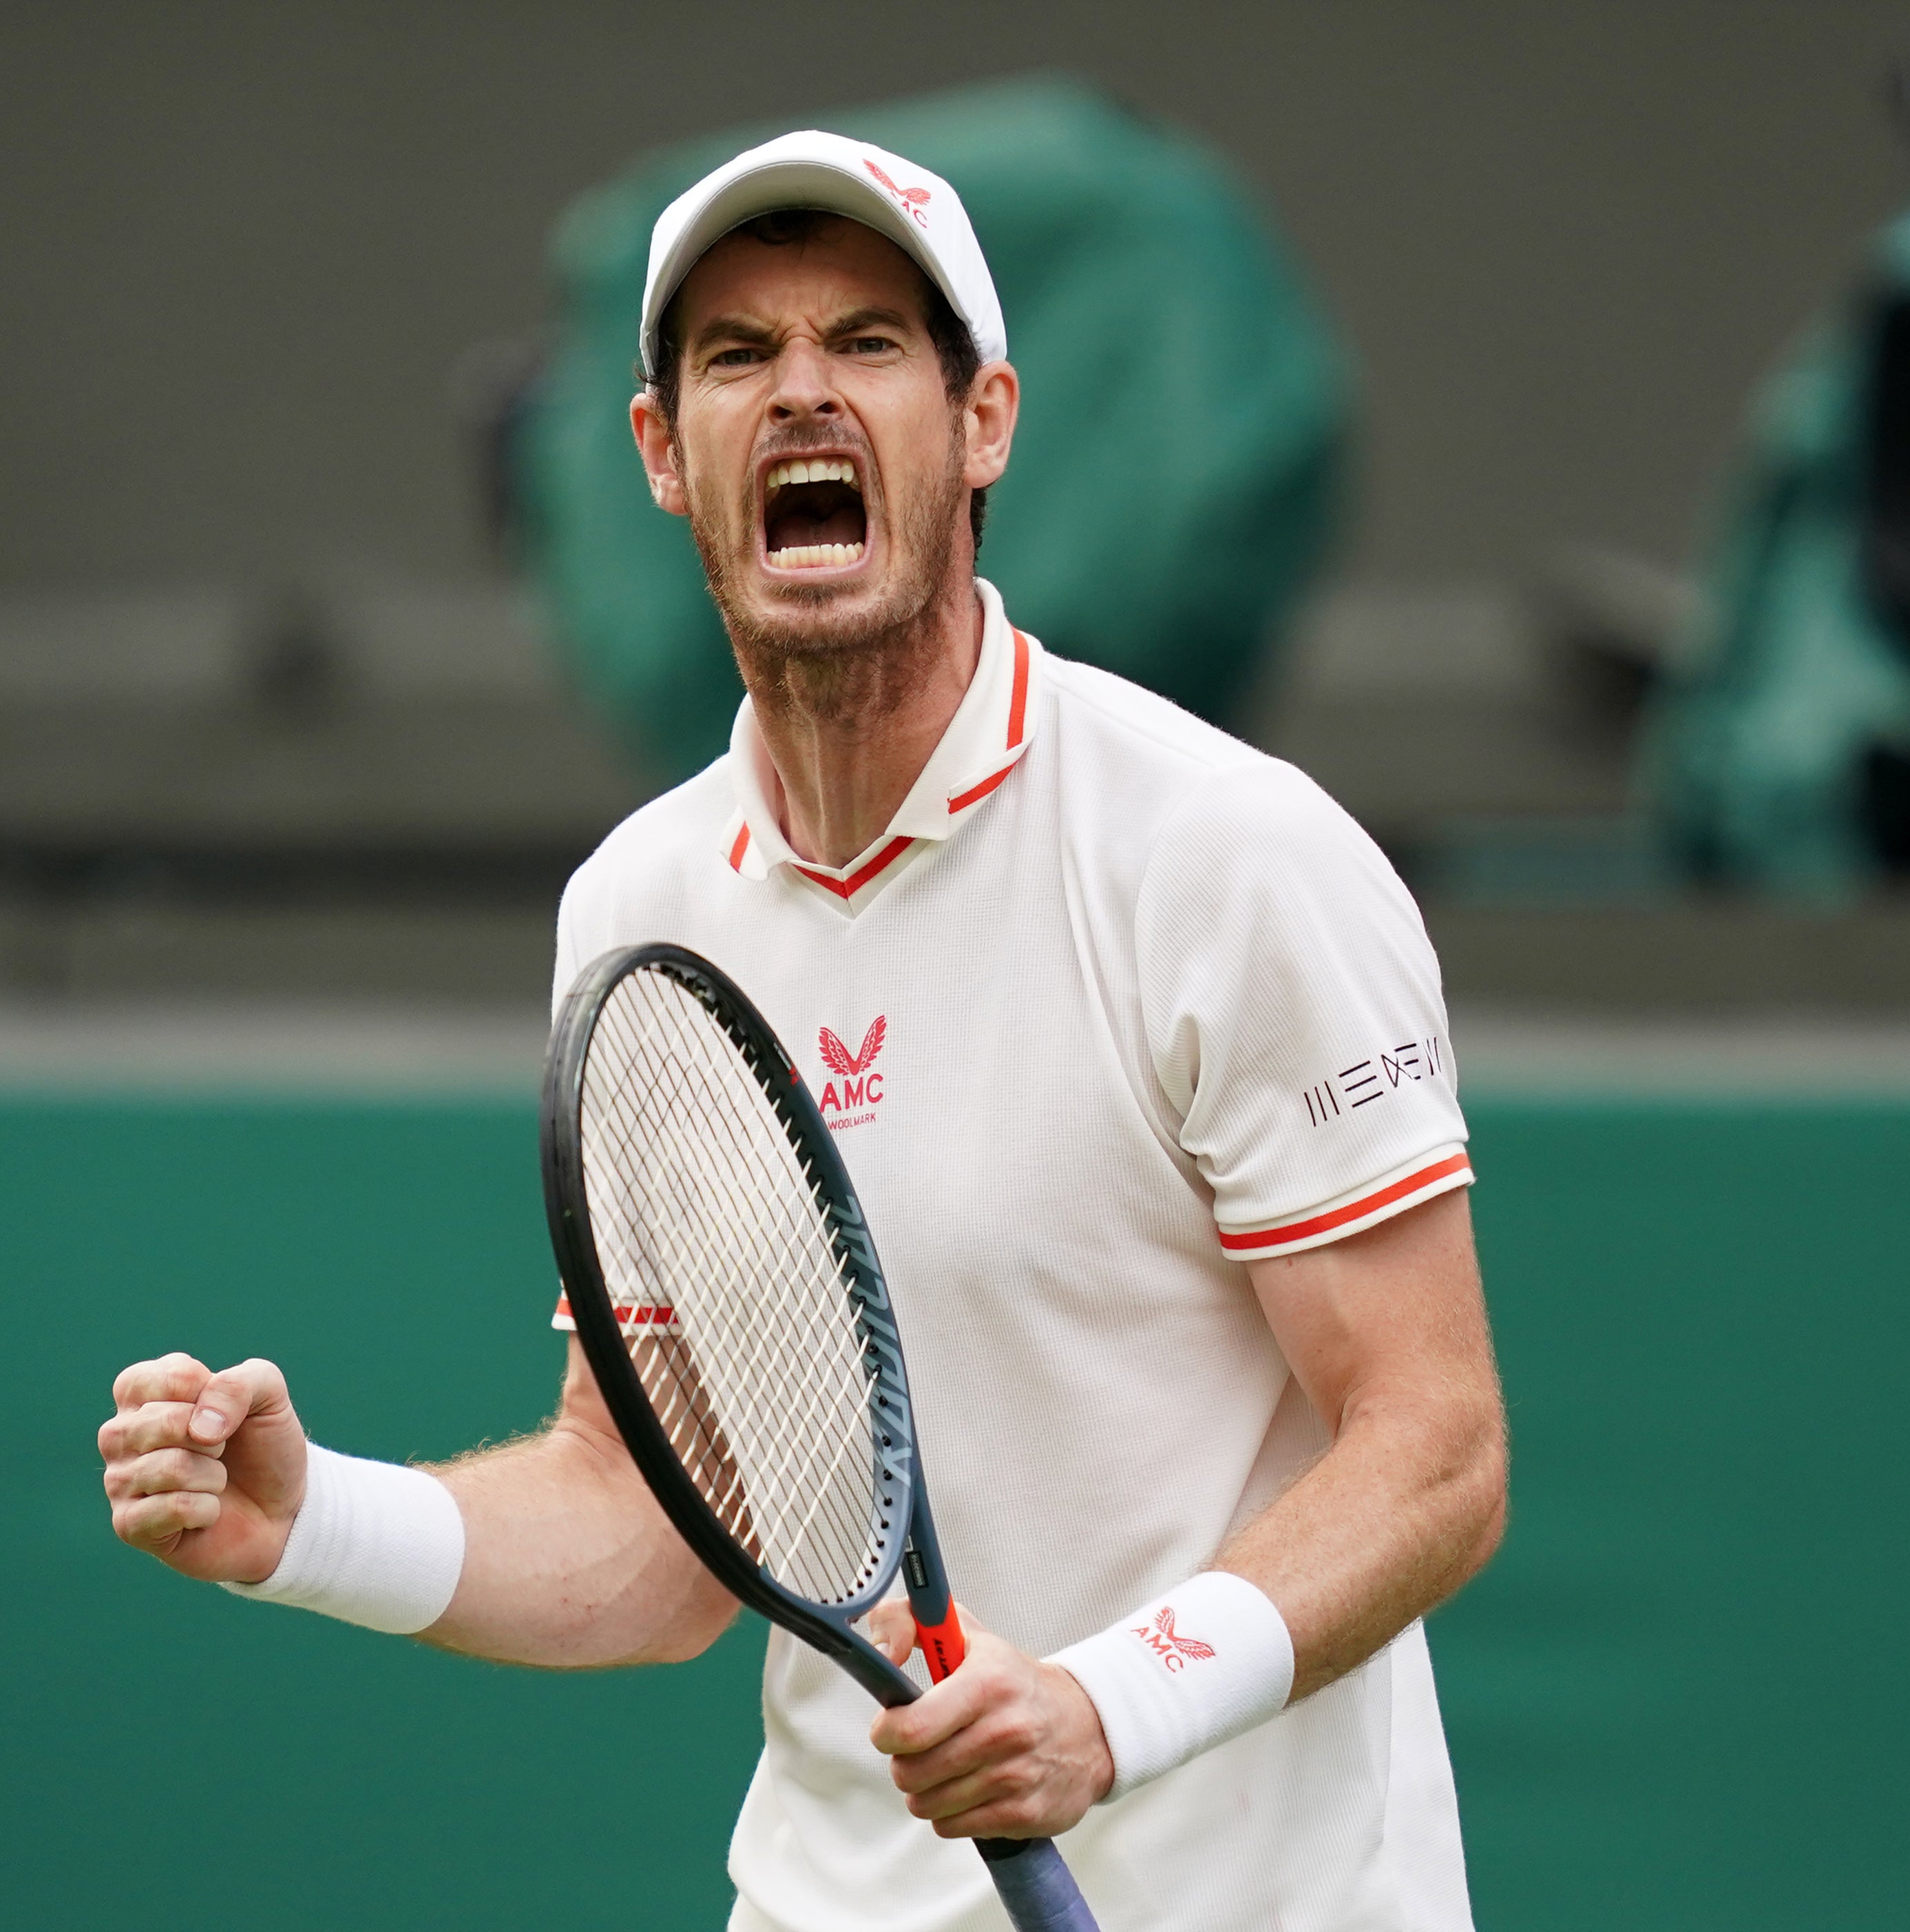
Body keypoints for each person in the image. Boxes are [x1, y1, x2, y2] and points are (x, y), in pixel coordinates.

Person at [98, 131, 1508, 1931]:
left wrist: (1107, 1708)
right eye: (738, 356)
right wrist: (309, 1529)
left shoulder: (1230, 858)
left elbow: (1436, 1449)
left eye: (866, 341)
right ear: (662, 456)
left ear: (982, 421)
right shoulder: (638, 913)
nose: (802, 393)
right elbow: (651, 1530)